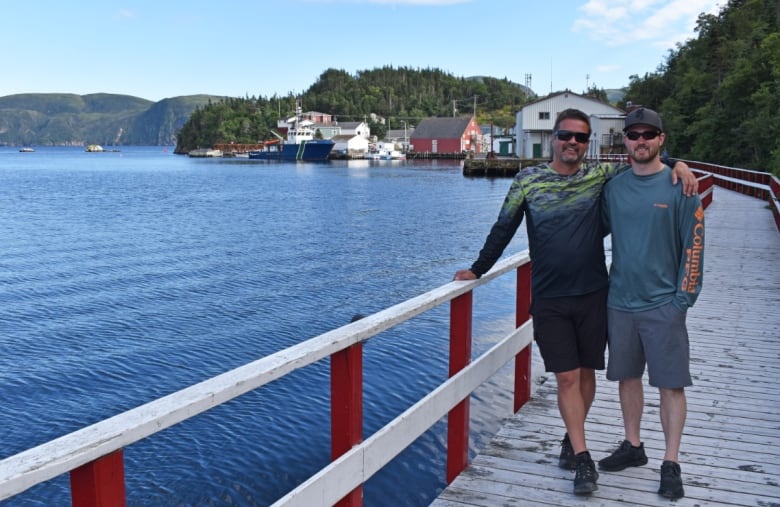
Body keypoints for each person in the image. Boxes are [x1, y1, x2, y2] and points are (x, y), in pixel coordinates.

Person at [453, 108, 698, 495]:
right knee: (565, 375)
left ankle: (574, 437)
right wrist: (478, 269)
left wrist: (677, 164)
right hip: (550, 296)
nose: (572, 143)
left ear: (588, 144)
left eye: (581, 138)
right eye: (566, 136)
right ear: (554, 137)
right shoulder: (527, 180)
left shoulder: (599, 175)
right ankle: (583, 459)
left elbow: (643, 161)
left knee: (586, 374)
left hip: (594, 294)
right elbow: (503, 227)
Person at [598, 107, 704, 500]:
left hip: (664, 304)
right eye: (633, 134)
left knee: (671, 385)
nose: (640, 140)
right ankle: (633, 445)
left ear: (661, 139)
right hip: (620, 301)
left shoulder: (682, 187)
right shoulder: (614, 186)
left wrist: (682, 301)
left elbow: (694, 248)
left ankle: (671, 462)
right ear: (624, 141)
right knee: (627, 378)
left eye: (648, 134)